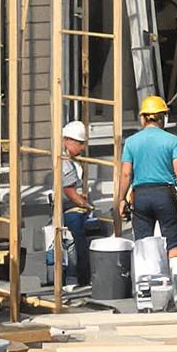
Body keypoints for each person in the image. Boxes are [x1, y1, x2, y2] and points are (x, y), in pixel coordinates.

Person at [116, 94, 177, 252]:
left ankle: (146, 275)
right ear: (163, 118)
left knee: (143, 247)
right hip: (165, 195)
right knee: (173, 245)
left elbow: (125, 174)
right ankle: (175, 274)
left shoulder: (131, 142)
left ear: (143, 118)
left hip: (140, 196)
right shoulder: (172, 140)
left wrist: (121, 199)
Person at [54, 120, 109, 286]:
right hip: (69, 212)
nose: (81, 148)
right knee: (78, 242)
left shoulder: (67, 160)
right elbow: (69, 191)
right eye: (79, 143)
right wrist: (85, 204)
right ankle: (80, 277)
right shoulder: (64, 162)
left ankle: (79, 276)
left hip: (67, 209)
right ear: (67, 140)